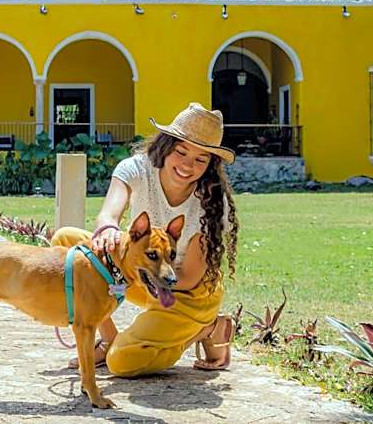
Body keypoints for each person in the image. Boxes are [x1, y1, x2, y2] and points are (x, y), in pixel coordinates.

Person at [51, 102, 239, 376]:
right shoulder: (135, 169)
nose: (187, 165)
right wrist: (107, 230)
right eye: (181, 151)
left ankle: (206, 329)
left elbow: (187, 277)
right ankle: (107, 337)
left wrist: (122, 278)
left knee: (122, 363)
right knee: (66, 242)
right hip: (143, 274)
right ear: (166, 146)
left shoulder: (210, 202)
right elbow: (108, 214)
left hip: (187, 293)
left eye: (201, 159)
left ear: (211, 164)